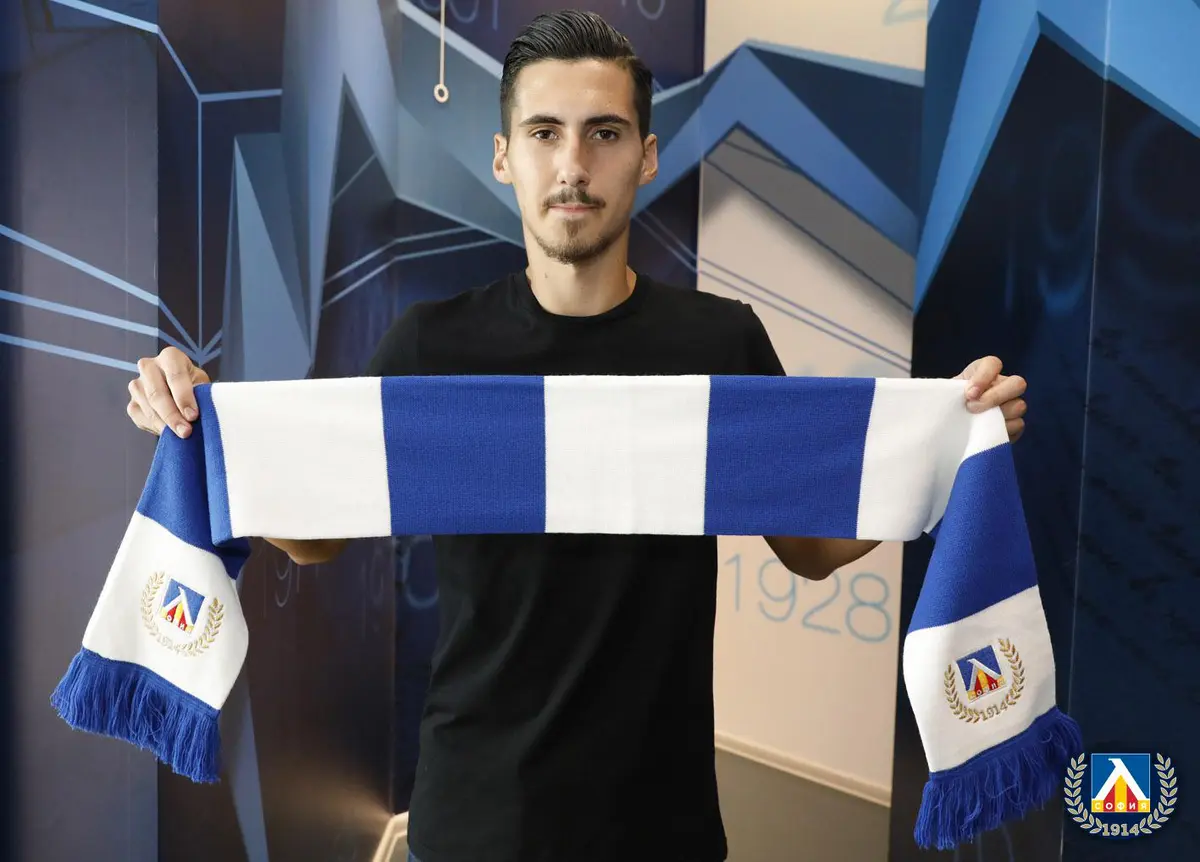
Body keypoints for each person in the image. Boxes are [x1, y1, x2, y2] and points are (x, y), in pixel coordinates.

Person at [125, 10, 1028, 862]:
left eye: (604, 133)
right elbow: (317, 538)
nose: (573, 164)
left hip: (661, 820)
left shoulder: (718, 345)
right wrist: (207, 432)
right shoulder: (431, 349)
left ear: (647, 156)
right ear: (504, 157)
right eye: (544, 132)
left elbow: (809, 547)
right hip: (474, 817)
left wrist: (946, 455)